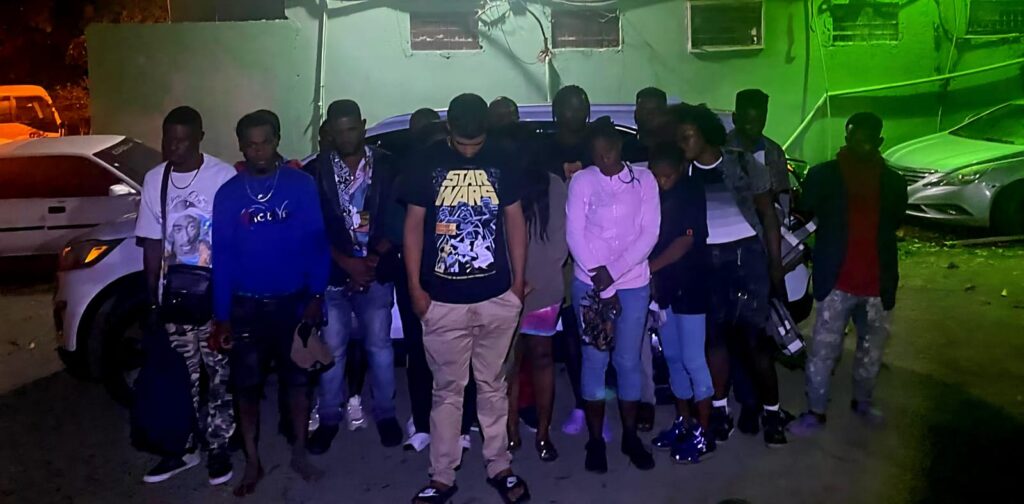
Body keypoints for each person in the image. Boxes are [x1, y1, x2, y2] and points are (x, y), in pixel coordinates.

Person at [402, 93, 530, 504]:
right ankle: (442, 475)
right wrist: (416, 289)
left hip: (496, 297)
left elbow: (515, 218)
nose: (470, 151)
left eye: (477, 144)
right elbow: (413, 226)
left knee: (493, 385)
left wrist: (517, 284)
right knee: (447, 391)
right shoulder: (426, 161)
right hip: (442, 300)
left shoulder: (504, 157)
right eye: (462, 144)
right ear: (449, 129)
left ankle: (500, 466)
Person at [209, 110, 330, 496]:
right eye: (250, 144)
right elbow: (222, 257)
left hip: (293, 303)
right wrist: (221, 315)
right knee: (245, 388)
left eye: (265, 142)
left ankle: (299, 453)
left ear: (277, 141)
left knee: (299, 383)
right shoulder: (228, 194)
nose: (258, 150)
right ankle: (253, 461)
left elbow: (316, 241)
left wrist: (316, 294)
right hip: (246, 306)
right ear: (241, 146)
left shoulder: (300, 185)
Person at [673, 104, 789, 448]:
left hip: (747, 259)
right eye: (679, 138)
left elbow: (768, 215)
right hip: (707, 263)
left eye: (687, 136)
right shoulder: (683, 172)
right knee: (715, 341)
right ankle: (720, 411)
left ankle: (772, 414)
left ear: (706, 133)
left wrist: (775, 264)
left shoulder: (741, 163)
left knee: (756, 343)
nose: (682, 143)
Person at [135, 106, 237, 486]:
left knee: (220, 376)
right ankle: (183, 447)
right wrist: (152, 298)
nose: (174, 147)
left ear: (199, 139)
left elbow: (235, 242)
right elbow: (152, 242)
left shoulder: (222, 177)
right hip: (175, 300)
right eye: (168, 140)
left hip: (214, 298)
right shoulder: (155, 180)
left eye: (182, 140)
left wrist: (230, 301)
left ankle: (219, 447)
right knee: (181, 378)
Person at [788, 112, 907, 435]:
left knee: (872, 351)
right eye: (853, 138)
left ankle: (863, 402)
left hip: (877, 283)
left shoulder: (894, 182)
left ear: (879, 141)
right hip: (836, 280)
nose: (858, 146)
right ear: (846, 137)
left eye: (866, 140)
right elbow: (805, 212)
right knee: (822, 352)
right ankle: (815, 411)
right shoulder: (823, 175)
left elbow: (894, 222)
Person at [304, 99, 403, 453]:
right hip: (333, 273)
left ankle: (386, 414)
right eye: (339, 130)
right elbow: (311, 228)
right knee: (332, 349)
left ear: (362, 125)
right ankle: (329, 418)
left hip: (375, 272)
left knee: (380, 347)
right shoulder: (315, 172)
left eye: (351, 129)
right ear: (330, 132)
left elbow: (399, 214)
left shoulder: (388, 165)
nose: (346, 137)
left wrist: (373, 259)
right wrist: (347, 262)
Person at [566, 117, 660, 473]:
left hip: (633, 282)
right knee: (594, 360)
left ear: (620, 148)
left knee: (628, 361)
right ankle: (595, 441)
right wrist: (602, 282)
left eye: (608, 152)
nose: (603, 160)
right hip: (590, 283)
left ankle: (630, 437)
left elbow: (649, 232)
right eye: (596, 154)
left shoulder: (644, 180)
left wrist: (615, 271)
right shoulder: (582, 181)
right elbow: (575, 235)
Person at [397, 108, 479, 454]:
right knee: (419, 353)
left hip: (459, 278)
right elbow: (402, 229)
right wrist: (414, 284)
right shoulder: (412, 176)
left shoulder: (468, 177)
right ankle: (421, 422)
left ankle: (462, 424)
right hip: (419, 277)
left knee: (464, 355)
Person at [726, 89, 794, 435]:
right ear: (735, 117)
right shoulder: (722, 150)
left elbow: (780, 201)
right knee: (734, 337)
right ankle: (749, 404)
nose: (755, 125)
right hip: (728, 254)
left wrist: (777, 258)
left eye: (761, 118)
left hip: (761, 252)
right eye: (748, 118)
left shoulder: (773, 152)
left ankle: (762, 404)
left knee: (760, 335)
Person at [645, 143, 716, 464]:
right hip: (666, 288)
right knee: (672, 356)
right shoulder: (653, 193)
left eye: (668, 176)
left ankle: (705, 432)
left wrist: (647, 269)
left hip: (692, 285)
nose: (662, 182)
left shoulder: (690, 192)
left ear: (681, 170)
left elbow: (685, 242)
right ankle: (684, 421)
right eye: (657, 176)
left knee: (692, 358)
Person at [532, 85, 592, 436]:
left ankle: (588, 403)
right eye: (568, 106)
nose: (576, 112)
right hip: (553, 257)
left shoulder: (597, 145)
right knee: (556, 340)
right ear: (556, 112)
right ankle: (567, 407)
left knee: (584, 335)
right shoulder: (543, 150)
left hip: (593, 255)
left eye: (581, 105)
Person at [506, 163, 568, 462]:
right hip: (508, 289)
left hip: (541, 288)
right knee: (509, 364)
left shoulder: (553, 184)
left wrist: (528, 283)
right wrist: (516, 284)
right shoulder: (504, 179)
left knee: (541, 360)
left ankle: (543, 432)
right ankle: (510, 427)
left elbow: (560, 244)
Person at [623, 86, 672, 163]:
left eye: (656, 110)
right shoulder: (621, 150)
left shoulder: (679, 149)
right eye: (644, 110)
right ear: (635, 115)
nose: (650, 115)